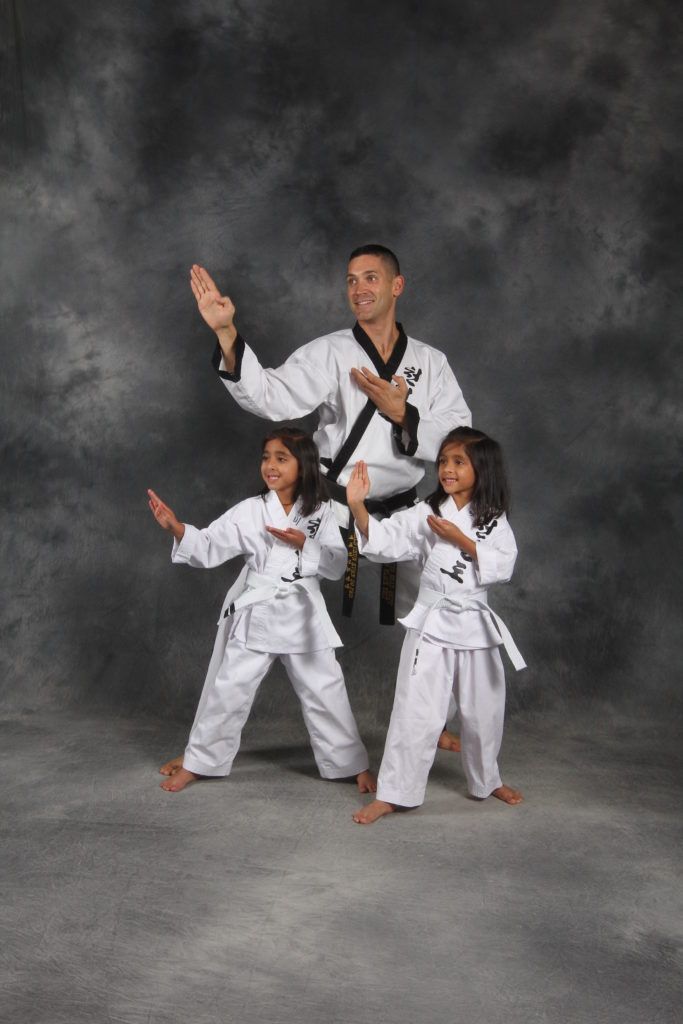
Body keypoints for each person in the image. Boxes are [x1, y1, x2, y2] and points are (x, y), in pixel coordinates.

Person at [148, 427, 375, 794]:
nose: (270, 465)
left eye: (281, 458)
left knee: (326, 691)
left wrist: (306, 544)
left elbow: (338, 566)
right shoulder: (251, 511)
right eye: (266, 457)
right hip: (259, 611)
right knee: (229, 690)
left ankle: (352, 765)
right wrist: (176, 528)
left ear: (303, 466)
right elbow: (208, 545)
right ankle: (201, 762)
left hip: (303, 614)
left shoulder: (323, 512)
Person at [345, 426, 526, 825]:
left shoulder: (493, 519)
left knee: (485, 711)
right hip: (431, 625)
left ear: (483, 469)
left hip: (476, 625)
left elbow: (504, 566)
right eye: (443, 461)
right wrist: (358, 507)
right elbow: (384, 541)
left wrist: (464, 542)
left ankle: (487, 780)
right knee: (416, 710)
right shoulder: (426, 513)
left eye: (459, 462)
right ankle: (395, 793)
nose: (447, 469)